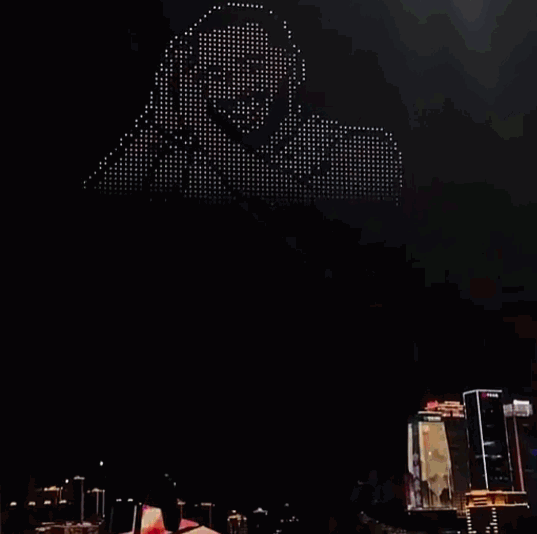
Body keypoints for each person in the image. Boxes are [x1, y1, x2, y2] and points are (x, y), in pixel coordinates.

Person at [84, 3, 403, 210]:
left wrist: (201, 125)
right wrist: (157, 126)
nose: (235, 89)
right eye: (214, 75)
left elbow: (315, 221)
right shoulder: (182, 160)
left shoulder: (363, 151)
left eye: (251, 67)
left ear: (290, 68)